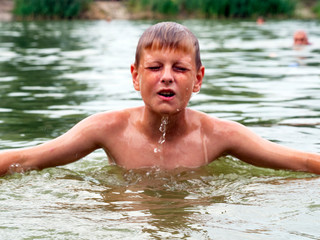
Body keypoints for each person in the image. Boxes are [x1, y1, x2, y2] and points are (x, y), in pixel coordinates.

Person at [1, 22, 320, 176]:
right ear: (136, 76)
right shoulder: (106, 128)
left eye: (180, 69)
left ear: (197, 79)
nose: (166, 76)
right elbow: (28, 159)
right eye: (154, 67)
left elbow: (299, 161)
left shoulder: (219, 136)